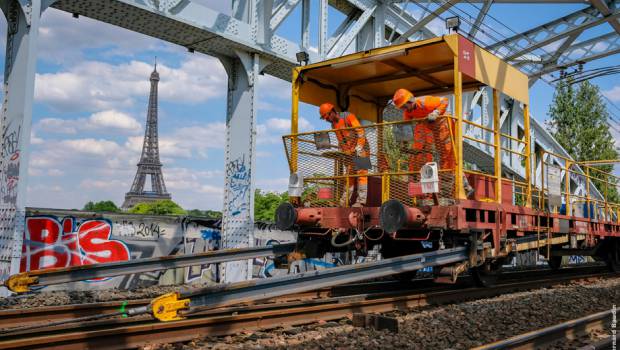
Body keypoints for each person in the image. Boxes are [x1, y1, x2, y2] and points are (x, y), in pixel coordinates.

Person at [392, 89, 473, 199]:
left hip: (445, 126)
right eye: (401, 108)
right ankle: (464, 187)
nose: (403, 109)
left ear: (410, 102)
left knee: (448, 158)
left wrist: (436, 112)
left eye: (404, 107)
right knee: (445, 159)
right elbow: (406, 127)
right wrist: (404, 143)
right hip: (435, 130)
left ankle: (451, 191)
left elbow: (444, 100)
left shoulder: (425, 101)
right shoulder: (408, 112)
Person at [319, 102, 369, 207]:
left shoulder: (348, 116)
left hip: (362, 148)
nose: (326, 120)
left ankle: (361, 201)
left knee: (362, 174)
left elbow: (361, 132)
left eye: (327, 116)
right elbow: (341, 140)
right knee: (349, 176)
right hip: (349, 152)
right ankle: (344, 202)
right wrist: (343, 153)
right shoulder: (333, 125)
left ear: (332, 112)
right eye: (324, 118)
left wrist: (359, 147)